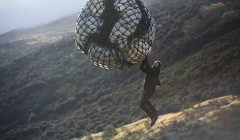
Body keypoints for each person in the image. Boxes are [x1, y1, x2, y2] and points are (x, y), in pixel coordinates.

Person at [140, 56, 162, 126]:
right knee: (142, 104)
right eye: (154, 63)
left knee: (145, 100)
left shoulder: (156, 70)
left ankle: (155, 112)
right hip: (147, 88)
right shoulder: (151, 71)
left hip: (151, 88)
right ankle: (152, 117)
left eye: (156, 64)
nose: (154, 64)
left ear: (158, 66)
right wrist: (143, 61)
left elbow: (149, 70)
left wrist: (146, 59)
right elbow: (142, 68)